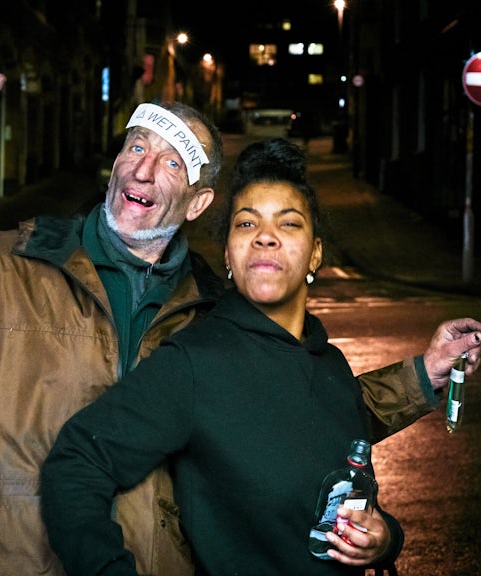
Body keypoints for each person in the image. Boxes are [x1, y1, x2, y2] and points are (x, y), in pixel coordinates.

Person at [0, 49, 481, 576]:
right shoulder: (4, 268)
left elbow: (305, 417)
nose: (143, 169)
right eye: (136, 147)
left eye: (171, 163)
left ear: (197, 203)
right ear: (114, 162)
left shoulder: (214, 314)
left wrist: (421, 377)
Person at [39, 139, 415, 574]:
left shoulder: (332, 365)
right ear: (229, 256)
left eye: (289, 224)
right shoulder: (194, 363)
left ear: (315, 253)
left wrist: (385, 539)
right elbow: (76, 463)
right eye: (246, 223)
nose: (265, 237)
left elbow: (348, 501)